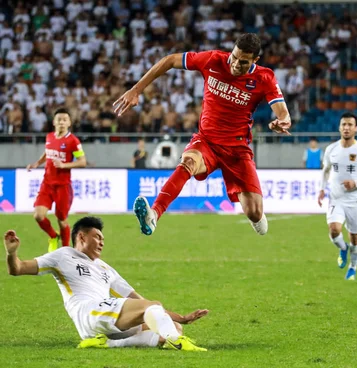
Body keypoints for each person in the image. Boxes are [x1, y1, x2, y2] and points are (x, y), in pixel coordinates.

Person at [113, 33, 291, 236]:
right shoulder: (213, 60)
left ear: (254, 61)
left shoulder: (264, 78)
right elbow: (170, 60)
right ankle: (153, 215)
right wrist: (136, 89)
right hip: (206, 141)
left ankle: (256, 215)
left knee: (254, 212)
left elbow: (283, 112)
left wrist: (282, 121)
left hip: (237, 149)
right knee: (187, 163)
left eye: (242, 62)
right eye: (234, 57)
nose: (234, 64)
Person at [4, 216, 208, 351]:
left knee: (170, 327)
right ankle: (178, 343)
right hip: (89, 313)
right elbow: (18, 269)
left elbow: (141, 302)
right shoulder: (63, 255)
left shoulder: (105, 268)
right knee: (157, 315)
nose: (102, 242)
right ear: (82, 236)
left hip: (110, 315)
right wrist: (12, 253)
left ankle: (109, 344)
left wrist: (180, 318)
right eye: (98, 237)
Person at [317, 113, 357, 281]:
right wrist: (322, 189)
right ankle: (343, 249)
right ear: (339, 127)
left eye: (350, 125)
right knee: (334, 230)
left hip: (354, 201)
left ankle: (353, 267)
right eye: (344, 124)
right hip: (336, 198)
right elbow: (326, 170)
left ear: (356, 128)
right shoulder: (331, 149)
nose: (346, 127)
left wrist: (356, 183)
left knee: (355, 237)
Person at [26, 108, 87, 252]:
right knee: (38, 216)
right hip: (47, 184)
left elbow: (82, 162)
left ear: (69, 123)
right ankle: (53, 236)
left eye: (64, 120)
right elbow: (47, 153)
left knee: (61, 220)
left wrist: (64, 165)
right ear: (54, 122)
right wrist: (37, 163)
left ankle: (65, 250)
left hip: (63, 186)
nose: (61, 122)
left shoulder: (73, 141)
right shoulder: (49, 137)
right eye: (59, 119)